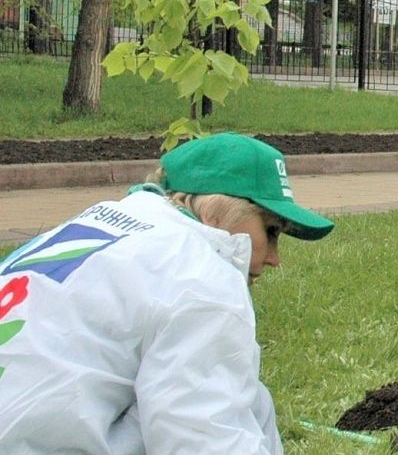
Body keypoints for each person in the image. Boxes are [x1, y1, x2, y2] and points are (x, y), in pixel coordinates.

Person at [0, 133, 334, 454]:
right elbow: (203, 438)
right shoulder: (202, 277)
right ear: (217, 212)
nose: (275, 258)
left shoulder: (103, 221)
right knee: (241, 402)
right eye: (271, 231)